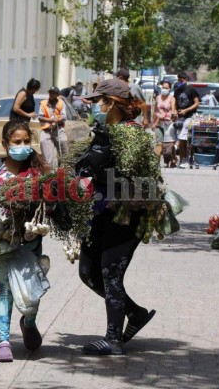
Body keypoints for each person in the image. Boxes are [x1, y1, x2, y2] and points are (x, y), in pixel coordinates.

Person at [79, 79, 156, 356]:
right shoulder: (108, 131)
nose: (96, 106)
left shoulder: (130, 134)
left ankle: (113, 338)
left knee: (110, 274)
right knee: (88, 273)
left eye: (99, 101)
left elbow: (129, 176)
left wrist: (99, 161)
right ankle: (135, 314)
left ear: (111, 103)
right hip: (101, 213)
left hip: (125, 215)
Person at [0, 119, 50, 363]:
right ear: (5, 144)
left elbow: (52, 195)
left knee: (31, 292)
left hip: (31, 239)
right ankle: (3, 341)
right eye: (17, 142)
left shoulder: (37, 170)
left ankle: (29, 321)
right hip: (2, 238)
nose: (22, 146)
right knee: (5, 289)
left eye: (27, 141)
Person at [37, 86, 69, 170]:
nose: (51, 94)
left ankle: (66, 167)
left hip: (58, 129)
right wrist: (51, 120)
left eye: (53, 93)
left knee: (63, 142)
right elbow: (40, 117)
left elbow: (64, 116)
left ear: (57, 94)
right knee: (43, 141)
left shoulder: (61, 103)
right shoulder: (43, 103)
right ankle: (50, 170)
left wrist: (57, 120)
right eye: (50, 92)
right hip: (46, 130)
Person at [173, 72, 200, 169]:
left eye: (182, 80)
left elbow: (197, 103)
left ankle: (185, 159)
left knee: (183, 134)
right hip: (181, 117)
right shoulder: (177, 90)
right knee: (180, 137)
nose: (180, 82)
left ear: (186, 79)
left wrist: (186, 110)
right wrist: (175, 111)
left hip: (191, 116)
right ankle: (181, 159)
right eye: (179, 80)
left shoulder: (191, 89)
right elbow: (175, 103)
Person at [152, 80, 178, 167]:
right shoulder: (158, 98)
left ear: (169, 89)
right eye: (163, 87)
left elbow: (173, 110)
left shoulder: (172, 98)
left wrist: (172, 114)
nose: (164, 89)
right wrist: (153, 122)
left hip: (169, 123)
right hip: (159, 123)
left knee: (170, 144)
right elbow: (155, 111)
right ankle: (156, 162)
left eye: (166, 88)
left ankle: (173, 159)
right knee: (158, 142)